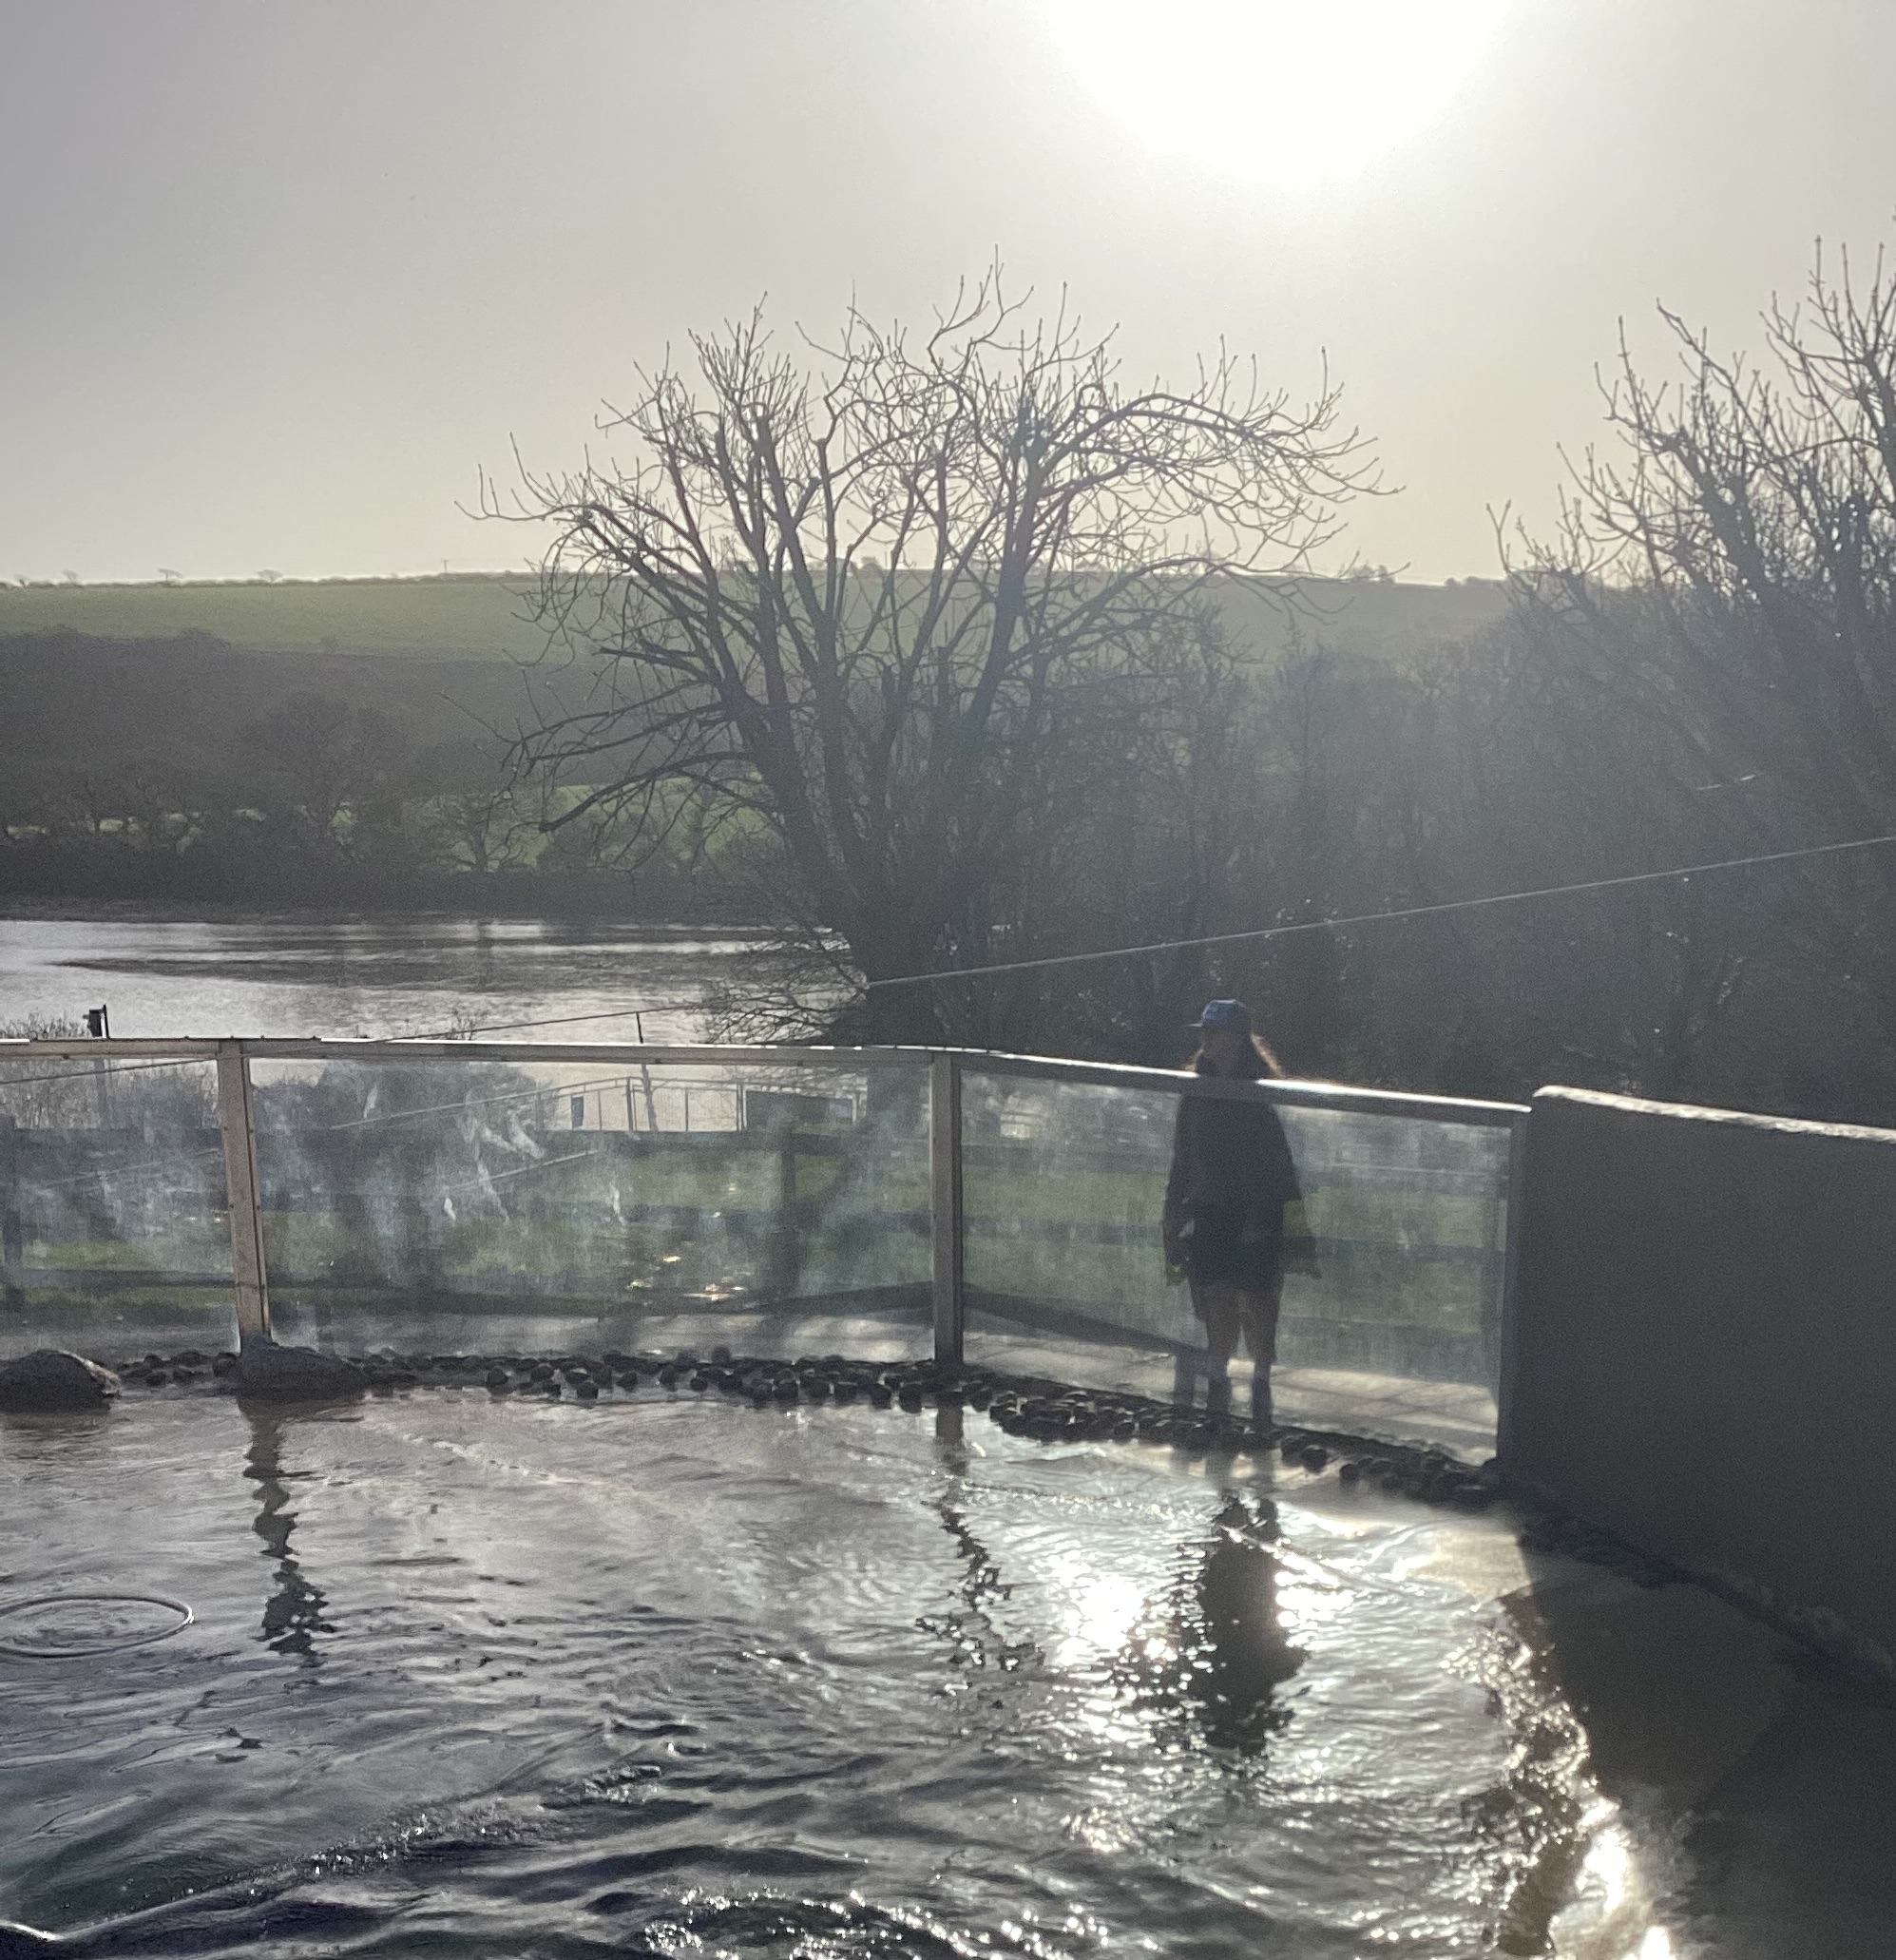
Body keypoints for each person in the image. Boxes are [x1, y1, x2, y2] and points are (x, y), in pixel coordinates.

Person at [1162, 999, 1305, 1433]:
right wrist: (1172, 1212)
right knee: (1216, 1294)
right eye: (1205, 1035)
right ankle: (1218, 1375)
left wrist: (1266, 1218)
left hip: (1258, 1209)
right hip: (1211, 1208)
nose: (1209, 1044)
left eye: (1218, 1035)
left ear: (1240, 1041)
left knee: (1260, 1297)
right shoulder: (1195, 1093)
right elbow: (1183, 1158)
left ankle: (1261, 1377)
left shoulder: (1261, 1094)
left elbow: (1277, 1164)